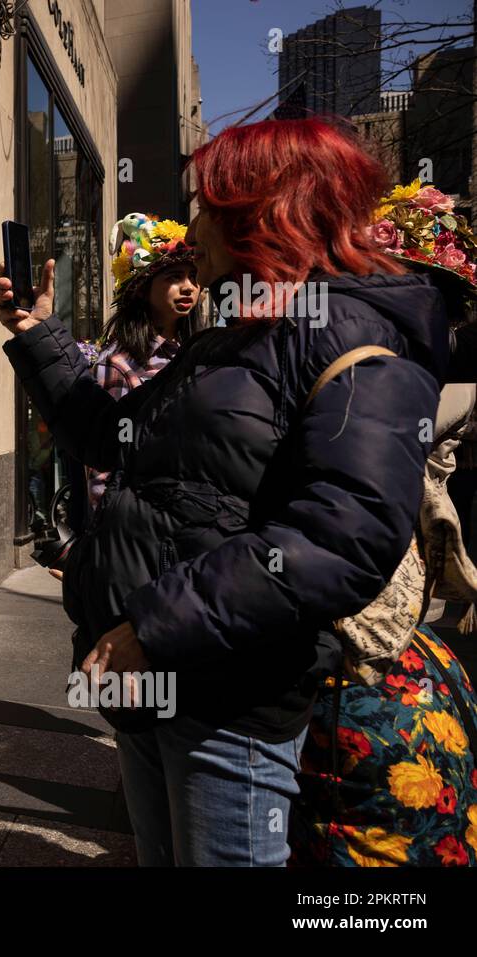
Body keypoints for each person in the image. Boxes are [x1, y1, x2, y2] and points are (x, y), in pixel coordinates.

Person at [0, 117, 448, 866]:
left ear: (265, 213)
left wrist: (153, 624)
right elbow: (113, 440)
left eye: (209, 205)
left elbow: (342, 537)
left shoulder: (358, 340)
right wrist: (39, 335)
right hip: (151, 685)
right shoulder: (234, 335)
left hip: (227, 704)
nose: (193, 227)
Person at [291, 181, 477, 866]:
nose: (442, 325)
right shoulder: (348, 372)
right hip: (341, 651)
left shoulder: (427, 385)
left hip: (389, 654)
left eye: (451, 308)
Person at [87, 213, 201, 512]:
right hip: (138, 526)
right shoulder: (117, 363)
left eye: (193, 276)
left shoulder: (195, 353)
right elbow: (102, 470)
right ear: (142, 289)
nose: (188, 287)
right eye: (174, 277)